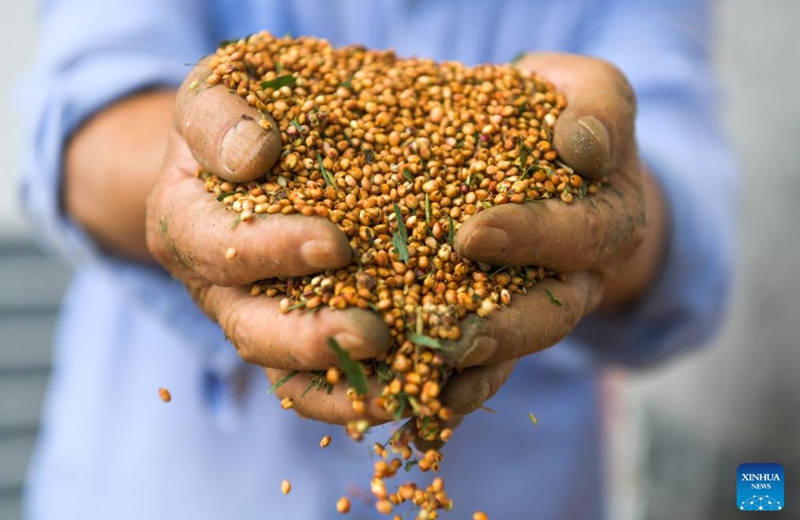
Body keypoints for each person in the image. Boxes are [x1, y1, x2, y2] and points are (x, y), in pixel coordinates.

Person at [16, 1, 735, 519]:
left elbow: (687, 210)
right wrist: (207, 176)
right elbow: (81, 120)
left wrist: (606, 216)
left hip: (515, 490)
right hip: (165, 483)